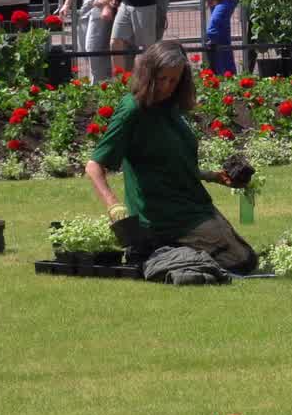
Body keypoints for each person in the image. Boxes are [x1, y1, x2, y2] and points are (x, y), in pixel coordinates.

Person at [86, 39, 259, 275]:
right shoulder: (132, 110)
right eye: (162, 78)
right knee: (241, 262)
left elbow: (169, 161)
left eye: (174, 80)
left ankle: (167, 251)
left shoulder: (171, 107)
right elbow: (94, 166)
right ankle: (157, 250)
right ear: (149, 74)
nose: (167, 86)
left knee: (246, 257)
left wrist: (213, 176)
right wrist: (113, 205)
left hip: (193, 205)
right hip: (164, 216)